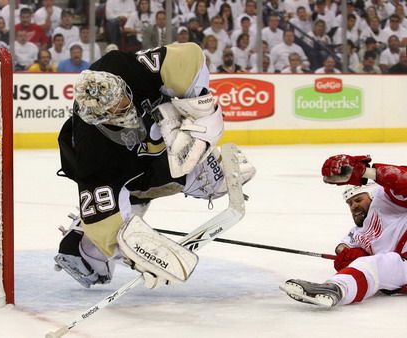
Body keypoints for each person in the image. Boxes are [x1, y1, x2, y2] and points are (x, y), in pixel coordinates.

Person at [54, 42, 255, 290]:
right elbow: (104, 222)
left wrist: (199, 114)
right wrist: (139, 256)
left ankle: (190, 175)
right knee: (102, 242)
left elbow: (190, 56)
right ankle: (81, 245)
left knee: (215, 178)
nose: (124, 108)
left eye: (122, 100)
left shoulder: (120, 67)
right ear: (99, 119)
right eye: (115, 111)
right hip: (122, 171)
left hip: (153, 144)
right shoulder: (92, 157)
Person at [281, 154, 407, 307]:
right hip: (402, 264)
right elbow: (344, 252)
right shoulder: (354, 234)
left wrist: (365, 172)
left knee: (376, 264)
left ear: (374, 195)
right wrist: (348, 257)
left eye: (359, 200)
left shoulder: (388, 201)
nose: (354, 206)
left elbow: (402, 179)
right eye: (350, 203)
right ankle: (336, 290)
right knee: (375, 265)